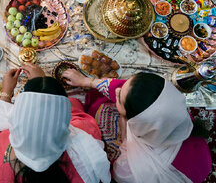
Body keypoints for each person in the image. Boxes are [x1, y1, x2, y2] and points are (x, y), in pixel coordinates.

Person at [62, 69, 212, 183]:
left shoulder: (131, 169)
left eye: (119, 98)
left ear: (135, 122)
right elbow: (136, 91)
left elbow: (117, 174)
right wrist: (87, 81)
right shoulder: (176, 115)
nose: (117, 90)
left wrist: (123, 128)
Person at [0, 63, 111, 183]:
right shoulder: (85, 139)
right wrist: (43, 88)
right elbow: (75, 112)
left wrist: (6, 92)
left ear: (13, 119)